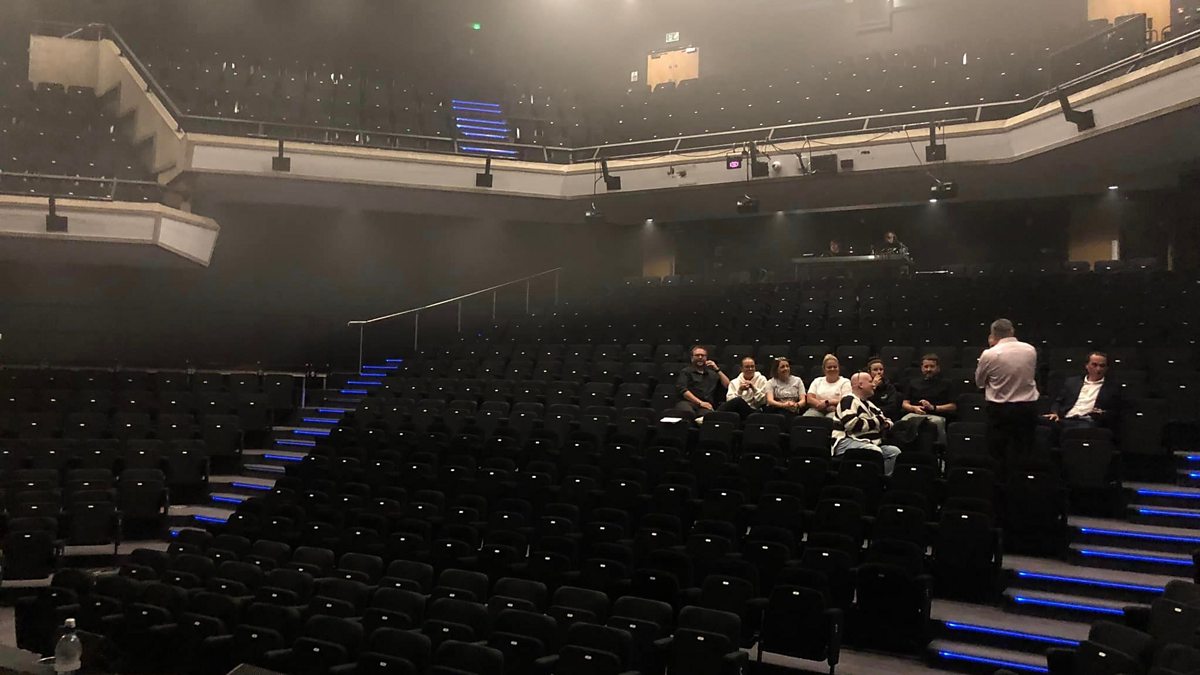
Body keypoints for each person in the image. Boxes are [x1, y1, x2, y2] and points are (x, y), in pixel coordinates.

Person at [975, 318, 1039, 470]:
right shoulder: (1030, 350)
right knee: (1024, 452)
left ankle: (999, 487)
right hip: (1027, 408)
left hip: (1000, 410)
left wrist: (991, 348)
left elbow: (979, 382)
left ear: (993, 334)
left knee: (998, 455)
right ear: (1012, 331)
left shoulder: (989, 354)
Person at [832, 372, 902, 475]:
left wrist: (877, 422)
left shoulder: (869, 404)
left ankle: (883, 481)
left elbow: (888, 422)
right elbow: (852, 424)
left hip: (868, 442)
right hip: (846, 441)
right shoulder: (848, 400)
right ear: (860, 384)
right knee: (873, 451)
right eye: (870, 381)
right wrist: (878, 422)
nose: (873, 385)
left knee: (894, 452)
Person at [1044, 351, 1121, 432]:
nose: (1098, 369)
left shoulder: (1112, 388)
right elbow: (1058, 401)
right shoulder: (1072, 382)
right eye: (1094, 365)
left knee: (1080, 429)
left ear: (1106, 368)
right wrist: (1055, 413)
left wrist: (1101, 414)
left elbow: (1116, 411)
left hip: (1087, 421)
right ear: (1087, 366)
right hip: (1065, 418)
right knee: (1038, 421)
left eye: (1102, 366)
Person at [900, 353, 957, 446]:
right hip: (914, 414)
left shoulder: (947, 383)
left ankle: (941, 451)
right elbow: (905, 403)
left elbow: (953, 406)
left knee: (937, 423)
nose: (928, 369)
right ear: (922, 368)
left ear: (938, 367)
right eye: (926, 366)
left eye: (932, 366)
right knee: (902, 422)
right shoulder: (913, 382)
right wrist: (914, 408)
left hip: (936, 415)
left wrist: (933, 407)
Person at [674, 344, 731, 419]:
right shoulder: (685, 372)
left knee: (707, 417)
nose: (700, 357)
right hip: (688, 402)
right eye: (697, 355)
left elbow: (728, 385)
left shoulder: (712, 374)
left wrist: (717, 369)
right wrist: (700, 403)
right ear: (692, 358)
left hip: (706, 405)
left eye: (703, 355)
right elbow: (683, 390)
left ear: (706, 358)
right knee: (687, 413)